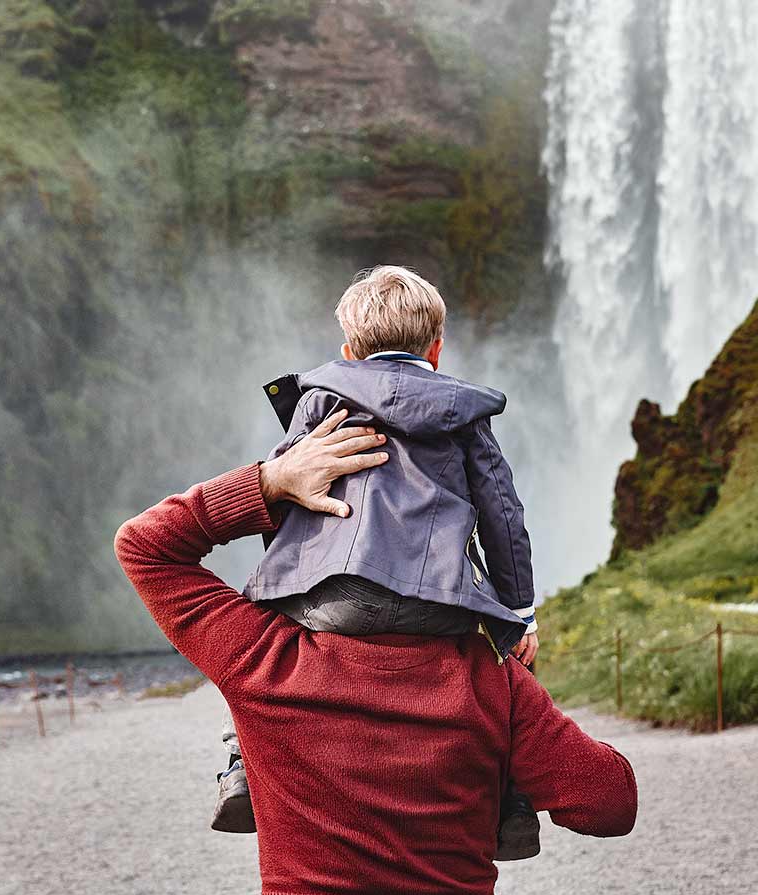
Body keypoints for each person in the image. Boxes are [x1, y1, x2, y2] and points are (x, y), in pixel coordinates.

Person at [113, 410, 638, 895]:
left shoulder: (263, 659)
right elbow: (610, 804)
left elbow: (145, 546)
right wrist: (521, 693)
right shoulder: (492, 679)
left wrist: (271, 481)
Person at [216, 265, 545, 861]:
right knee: (509, 670)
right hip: (439, 601)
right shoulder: (465, 414)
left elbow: (289, 492)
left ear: (348, 351)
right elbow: (502, 513)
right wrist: (519, 612)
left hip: (333, 598)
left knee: (252, 651)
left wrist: (288, 582)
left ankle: (242, 768)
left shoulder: (319, 400)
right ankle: (511, 802)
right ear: (437, 350)